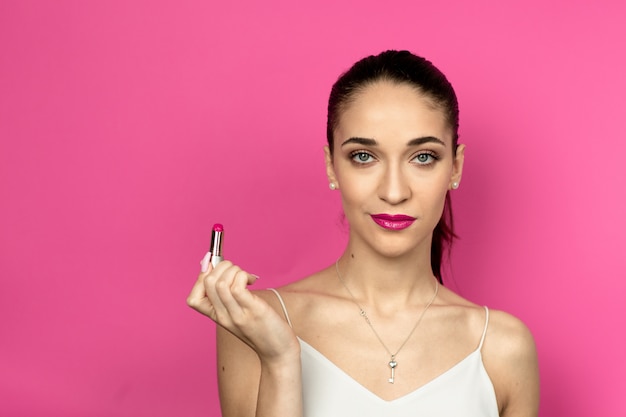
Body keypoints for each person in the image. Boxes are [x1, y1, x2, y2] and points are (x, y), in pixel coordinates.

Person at [187, 50, 539, 417]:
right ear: (331, 167)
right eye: (364, 156)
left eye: (422, 157)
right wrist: (281, 360)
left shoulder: (502, 348)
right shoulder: (255, 323)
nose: (393, 191)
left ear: (455, 166)